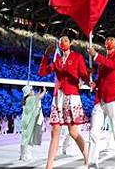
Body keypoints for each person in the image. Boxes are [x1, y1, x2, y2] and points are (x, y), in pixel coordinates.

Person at [39, 35, 90, 169]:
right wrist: (46, 56)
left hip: (71, 96)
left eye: (66, 40)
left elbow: (84, 74)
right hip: (58, 97)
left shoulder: (77, 57)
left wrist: (87, 80)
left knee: (73, 132)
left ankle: (87, 157)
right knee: (55, 131)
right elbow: (42, 72)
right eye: (60, 41)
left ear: (71, 43)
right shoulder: (57, 60)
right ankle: (49, 166)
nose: (63, 42)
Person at [87, 36, 115, 168]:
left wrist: (95, 55)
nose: (108, 41)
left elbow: (112, 66)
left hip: (113, 98)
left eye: (111, 39)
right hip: (100, 99)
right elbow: (102, 78)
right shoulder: (103, 59)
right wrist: (95, 82)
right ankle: (92, 162)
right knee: (93, 132)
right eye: (107, 39)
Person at [20, 85, 46, 162]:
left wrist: (39, 91)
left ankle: (22, 155)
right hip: (29, 121)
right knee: (29, 139)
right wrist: (43, 91)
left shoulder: (26, 99)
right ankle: (26, 155)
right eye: (31, 90)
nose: (33, 91)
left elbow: (37, 96)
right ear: (28, 92)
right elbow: (39, 97)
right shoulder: (30, 99)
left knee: (25, 138)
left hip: (26, 121)